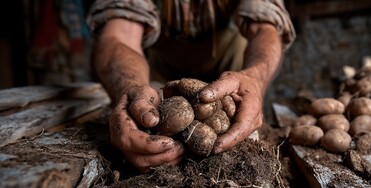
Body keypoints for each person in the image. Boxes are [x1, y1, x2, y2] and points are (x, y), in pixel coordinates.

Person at [86, 0, 296, 171]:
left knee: (239, 132)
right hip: (159, 67)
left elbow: (265, 28)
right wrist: (129, 85)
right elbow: (120, 34)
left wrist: (254, 79)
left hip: (230, 67)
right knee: (150, 124)